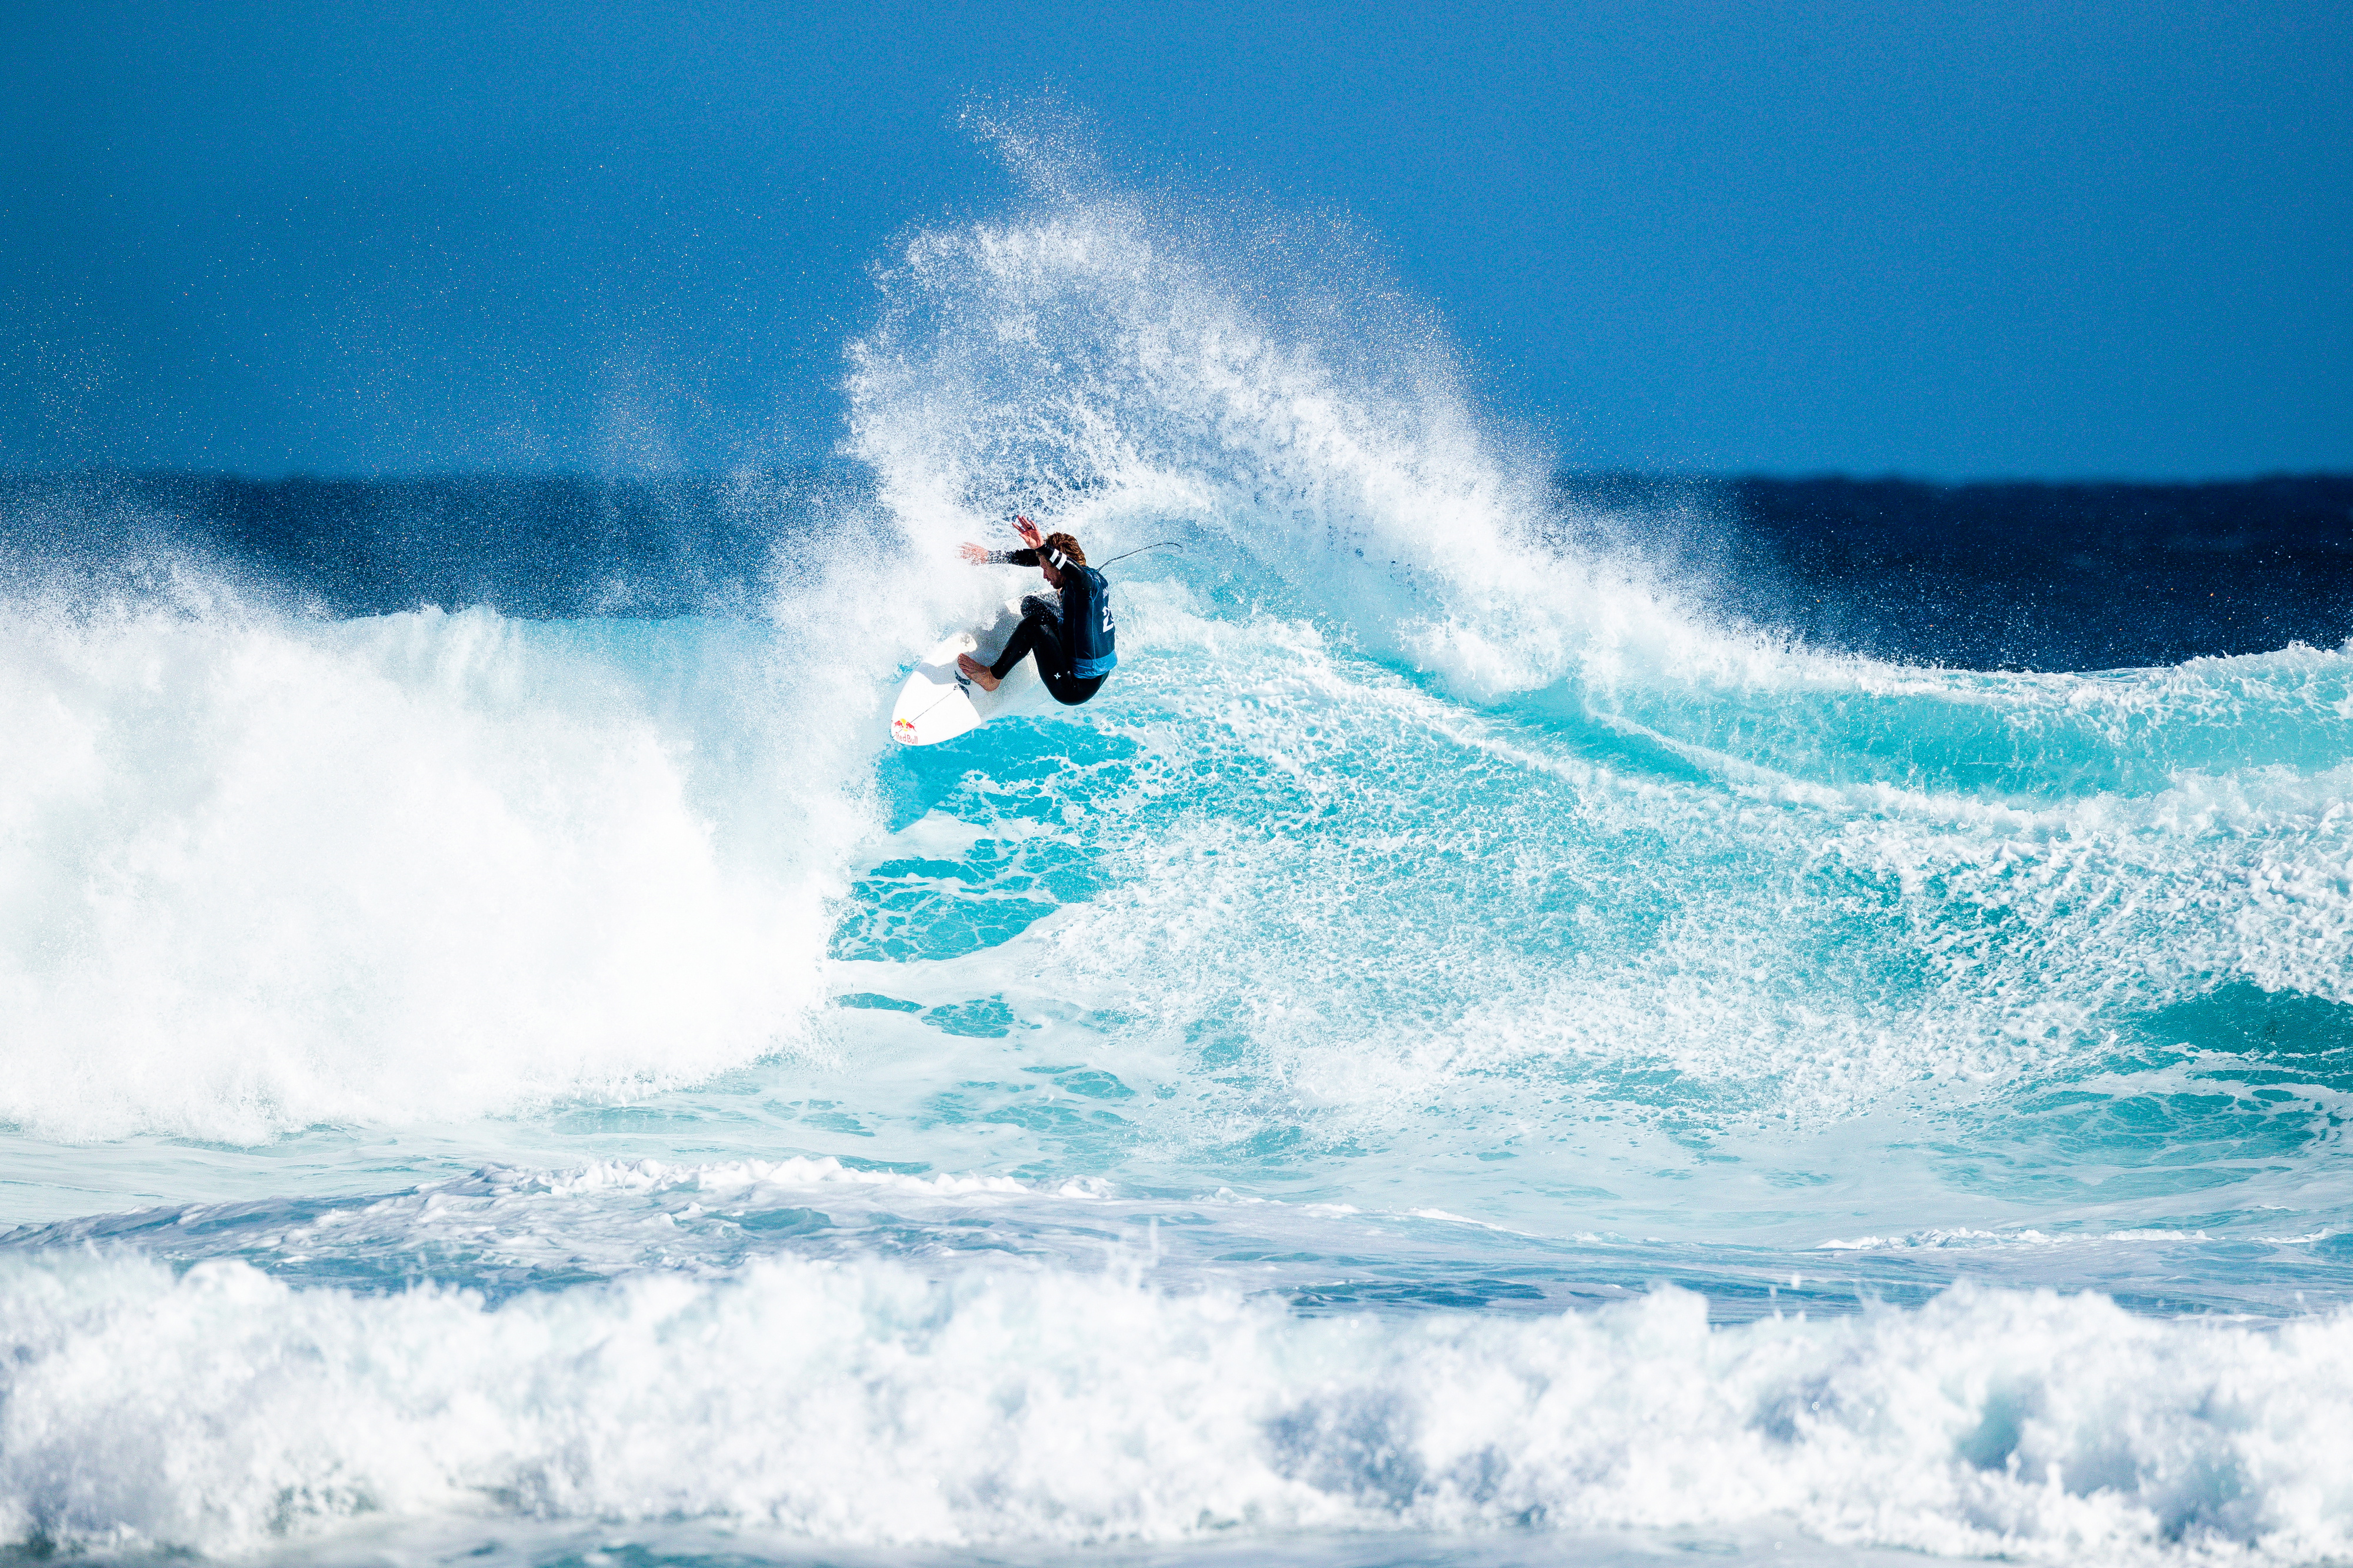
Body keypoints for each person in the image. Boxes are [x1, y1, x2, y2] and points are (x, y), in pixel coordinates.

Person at [956, 516, 1116, 705]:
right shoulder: (1095, 577)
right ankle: (1040, 644)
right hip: (1099, 670)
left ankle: (992, 677)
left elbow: (1073, 573)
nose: (1044, 575)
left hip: (1076, 687)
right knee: (1030, 604)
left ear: (1061, 567)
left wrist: (1043, 547)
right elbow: (1034, 559)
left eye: (1047, 569)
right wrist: (990, 556)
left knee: (1033, 627)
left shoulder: (1084, 584)